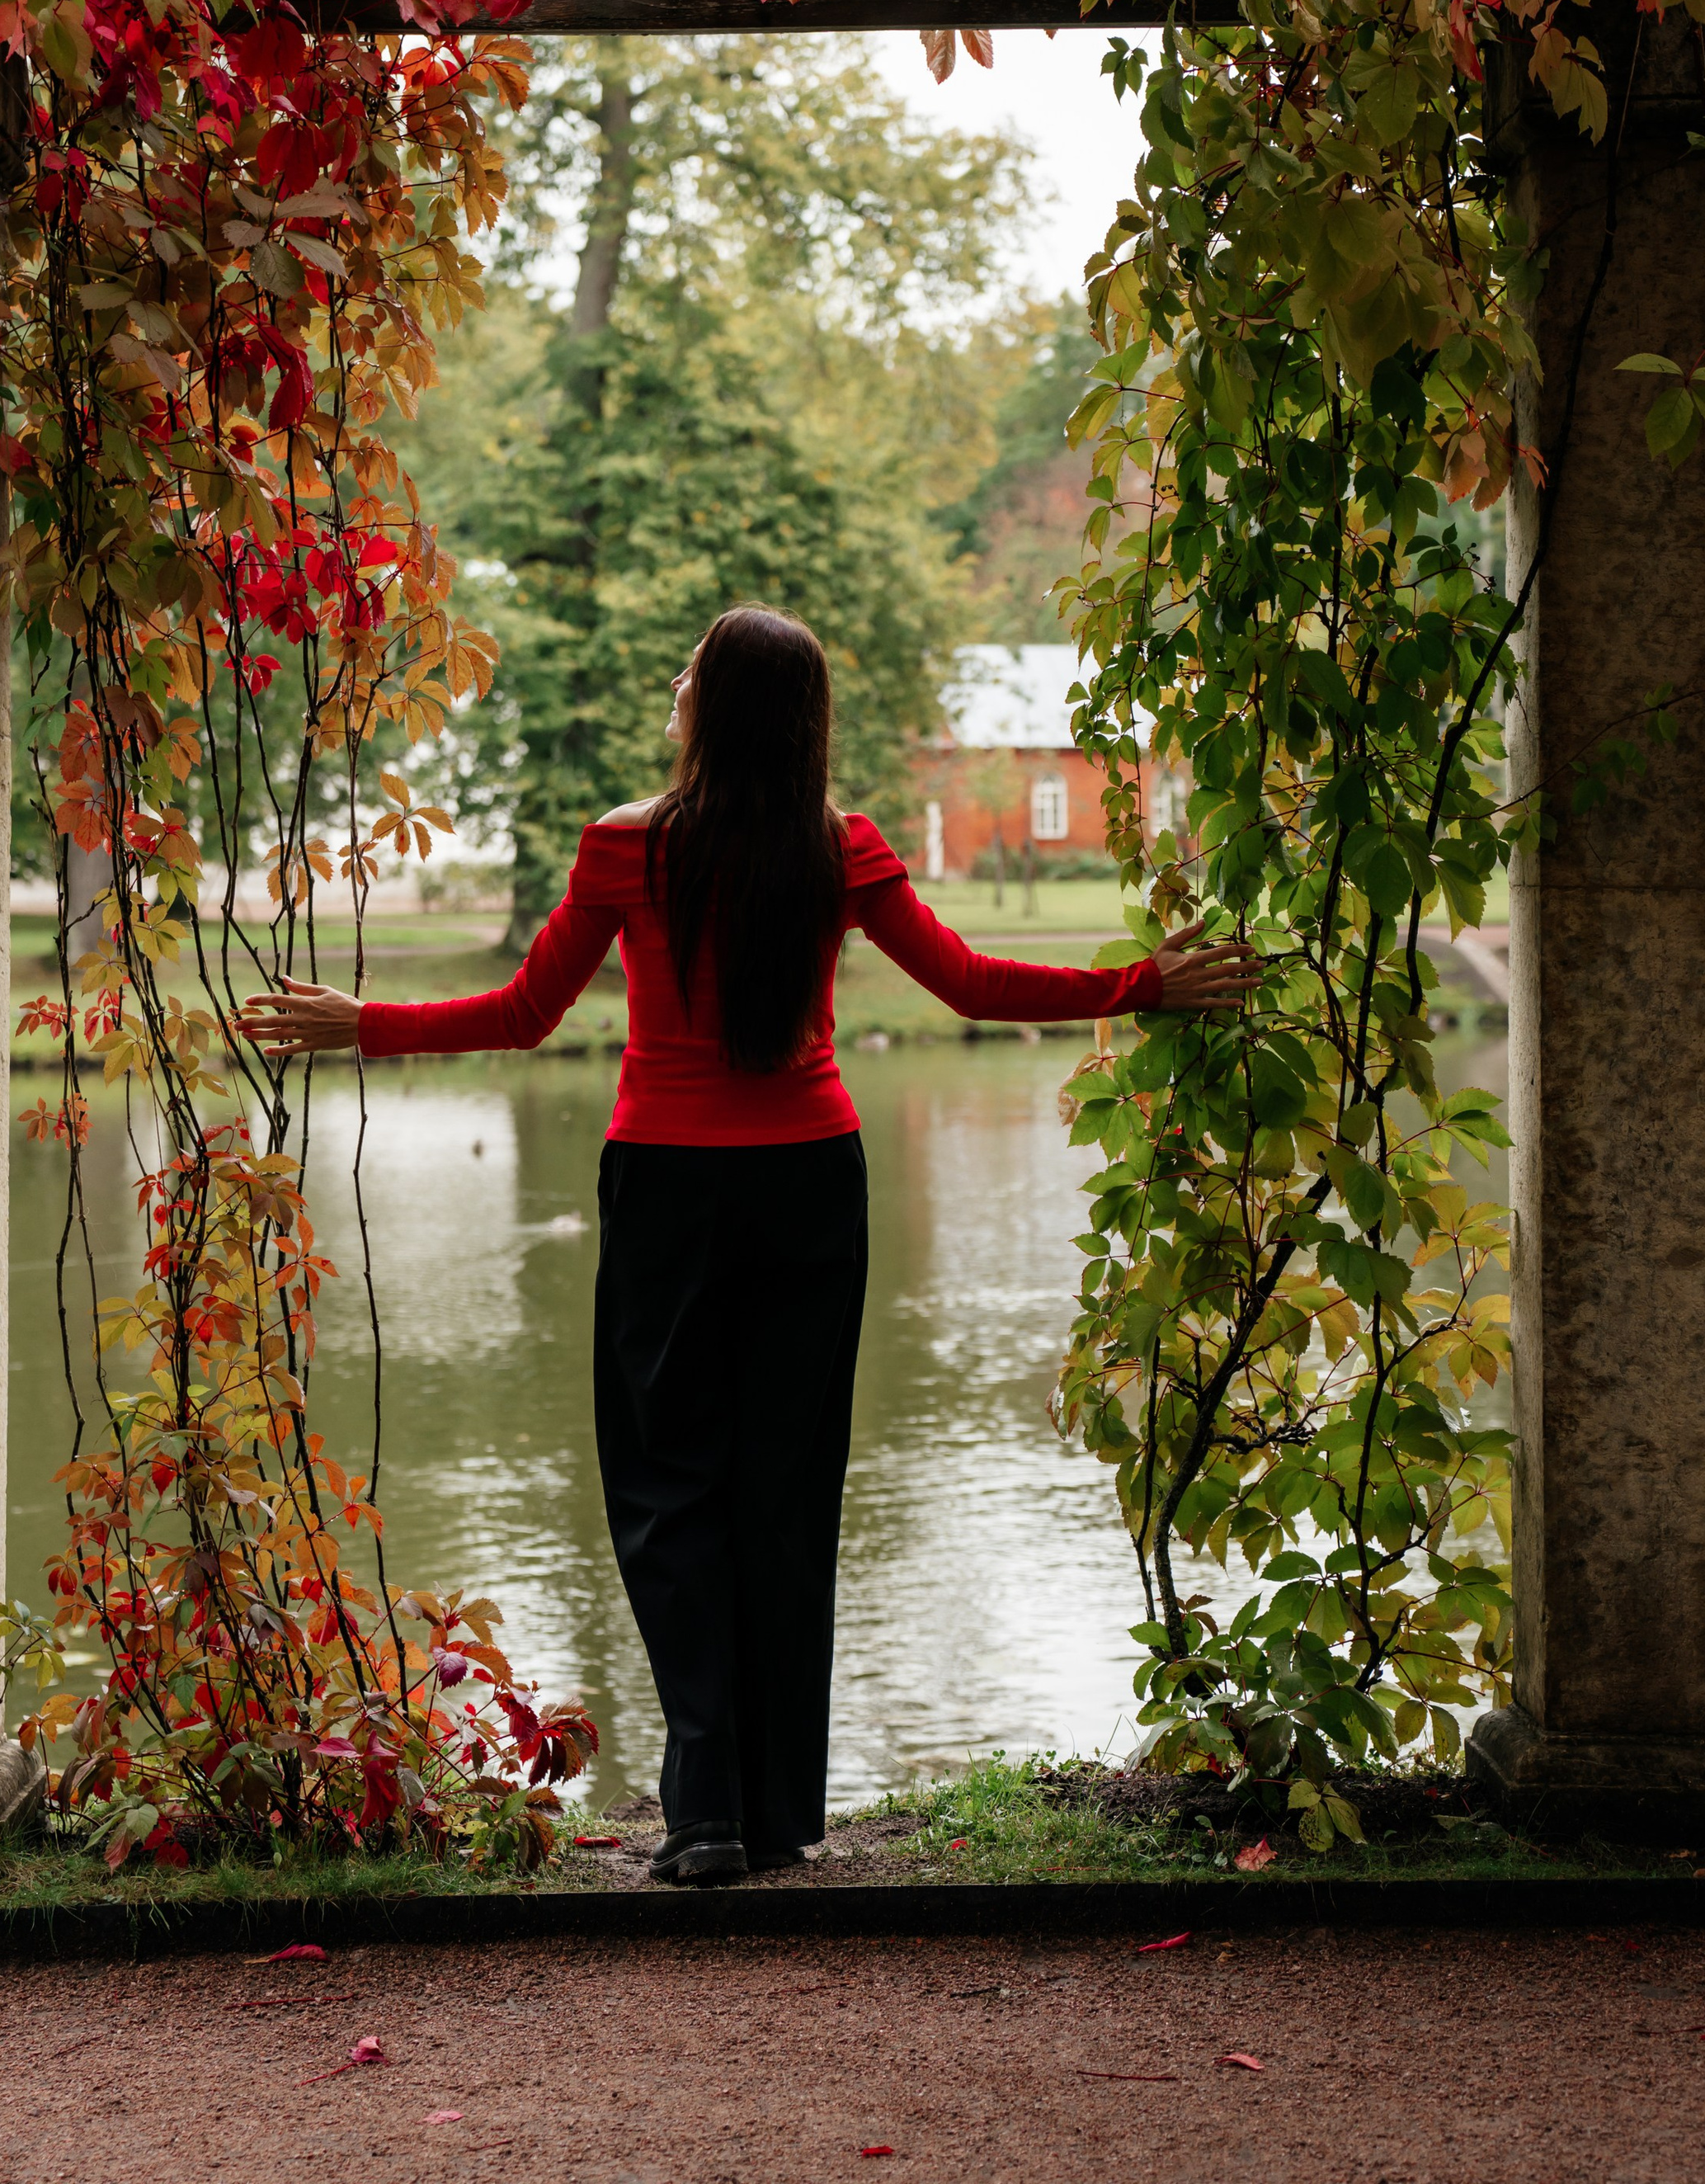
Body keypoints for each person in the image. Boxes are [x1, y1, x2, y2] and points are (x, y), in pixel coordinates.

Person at [242, 606, 1260, 1887]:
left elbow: (524, 1015)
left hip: (669, 1191)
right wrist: (1141, 986)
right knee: (787, 1491)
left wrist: (365, 1025)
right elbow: (969, 983)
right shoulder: (842, 847)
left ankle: (708, 1812)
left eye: (692, 668)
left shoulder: (628, 846)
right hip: (811, 1189)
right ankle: (779, 1817)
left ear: (716, 708)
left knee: (668, 1493)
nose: (675, 681)